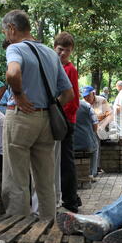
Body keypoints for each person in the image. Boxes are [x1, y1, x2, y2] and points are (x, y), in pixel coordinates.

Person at [1, 9, 74, 220]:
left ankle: (19, 228)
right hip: (46, 121)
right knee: (45, 180)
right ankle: (48, 226)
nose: (6, 35)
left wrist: (19, 95)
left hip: (21, 117)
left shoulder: (15, 48)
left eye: (5, 31)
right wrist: (49, 107)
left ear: (12, 29)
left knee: (16, 179)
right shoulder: (51, 54)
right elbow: (68, 93)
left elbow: (13, 73)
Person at [54, 31, 82, 213]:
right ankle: (73, 198)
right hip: (60, 118)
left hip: (64, 120)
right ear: (54, 47)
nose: (63, 54)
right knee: (62, 160)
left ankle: (71, 200)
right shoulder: (53, 65)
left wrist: (59, 113)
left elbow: (73, 100)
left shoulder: (70, 69)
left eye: (67, 51)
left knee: (65, 161)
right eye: (60, 49)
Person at [74, 87, 100, 178]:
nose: (86, 98)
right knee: (96, 146)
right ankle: (92, 173)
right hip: (86, 144)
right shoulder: (87, 107)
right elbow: (95, 126)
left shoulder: (65, 105)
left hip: (70, 143)